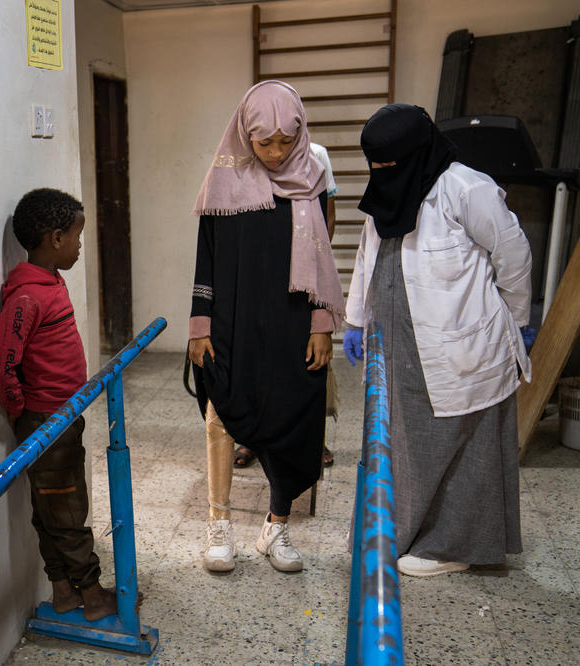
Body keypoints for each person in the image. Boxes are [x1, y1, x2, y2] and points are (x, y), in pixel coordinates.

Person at [342, 104, 532, 577]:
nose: (382, 173)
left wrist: (517, 318)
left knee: (459, 440)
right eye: (376, 165)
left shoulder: (466, 189)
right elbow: (368, 254)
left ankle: (452, 546)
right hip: (395, 338)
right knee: (395, 439)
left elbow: (514, 255)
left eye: (389, 164)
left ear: (416, 152)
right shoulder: (389, 189)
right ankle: (396, 534)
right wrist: (353, 319)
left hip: (459, 341)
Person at [188, 80, 345, 573]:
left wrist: (323, 323)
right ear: (245, 134)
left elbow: (323, 256)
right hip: (233, 321)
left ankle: (277, 526)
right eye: (265, 143)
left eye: (285, 141)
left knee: (293, 421)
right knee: (222, 413)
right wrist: (199, 325)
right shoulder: (222, 181)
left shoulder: (312, 178)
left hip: (293, 322)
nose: (276, 153)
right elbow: (206, 259)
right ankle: (219, 525)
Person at [0, 188, 117, 618]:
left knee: (49, 508)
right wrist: (24, 409)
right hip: (47, 421)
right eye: (77, 238)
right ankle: (93, 595)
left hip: (61, 415)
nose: (80, 246)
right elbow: (2, 368)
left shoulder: (48, 281)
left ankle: (62, 590)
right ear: (55, 239)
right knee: (68, 510)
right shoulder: (27, 295)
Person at [234, 141, 339, 469]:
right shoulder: (241, 160)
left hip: (302, 270)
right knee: (256, 358)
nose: (275, 148)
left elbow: (327, 215)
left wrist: (313, 261)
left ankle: (313, 439)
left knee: (308, 357)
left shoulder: (316, 154)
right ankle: (251, 438)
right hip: (260, 275)